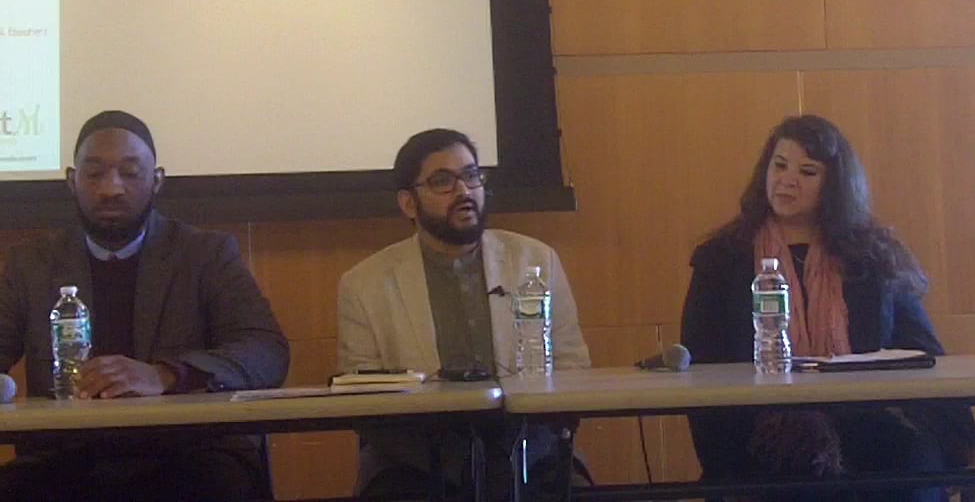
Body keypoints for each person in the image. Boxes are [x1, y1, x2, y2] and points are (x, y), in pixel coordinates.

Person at [680, 114, 975, 502]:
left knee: (912, 464)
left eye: (807, 171)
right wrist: (720, 473)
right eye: (779, 165)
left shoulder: (871, 256)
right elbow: (702, 374)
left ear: (834, 186)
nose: (787, 180)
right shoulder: (721, 259)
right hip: (760, 432)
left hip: (866, 421)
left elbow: (925, 352)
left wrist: (966, 443)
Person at [0, 110, 289, 501]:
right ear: (71, 181)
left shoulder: (205, 254)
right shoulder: (30, 264)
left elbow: (266, 350)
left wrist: (166, 375)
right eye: (94, 173)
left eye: (131, 173)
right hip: (66, 459)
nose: (111, 189)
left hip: (187, 453)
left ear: (157, 180)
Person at [337, 128, 590, 499]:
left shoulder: (535, 261)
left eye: (471, 176)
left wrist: (513, 457)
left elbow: (572, 372)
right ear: (408, 203)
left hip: (533, 451)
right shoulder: (365, 284)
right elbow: (363, 402)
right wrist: (456, 466)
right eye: (443, 181)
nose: (464, 191)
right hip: (414, 461)